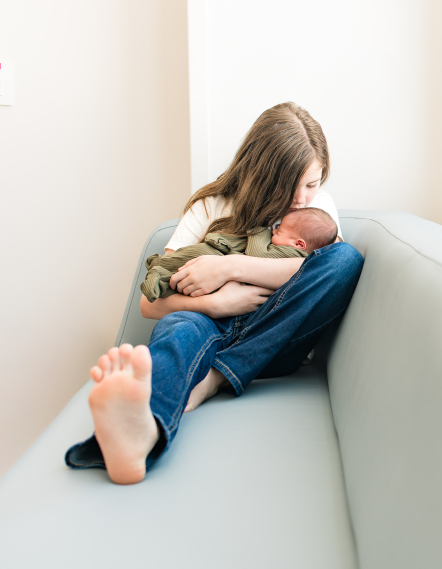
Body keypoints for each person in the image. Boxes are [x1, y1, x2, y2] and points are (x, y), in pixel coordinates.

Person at [64, 102, 364, 485]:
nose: (304, 197)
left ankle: (213, 379)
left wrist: (229, 267)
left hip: (272, 340)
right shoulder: (211, 207)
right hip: (207, 327)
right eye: (294, 184)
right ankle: (141, 433)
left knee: (346, 258)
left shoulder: (318, 209)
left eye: (313, 183)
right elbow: (149, 304)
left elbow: (326, 268)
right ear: (263, 172)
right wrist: (216, 302)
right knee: (179, 329)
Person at [141, 207, 339, 303]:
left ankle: (159, 272)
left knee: (187, 271)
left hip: (235, 297)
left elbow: (256, 253)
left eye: (278, 230)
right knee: (191, 264)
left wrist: (258, 229)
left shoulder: (292, 254)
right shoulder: (294, 246)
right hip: (218, 278)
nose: (272, 232)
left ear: (299, 243)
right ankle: (160, 268)